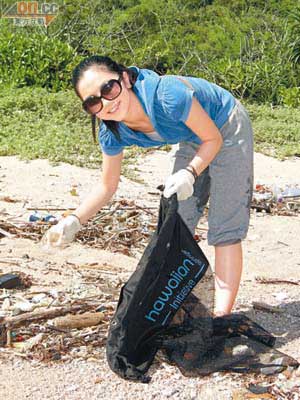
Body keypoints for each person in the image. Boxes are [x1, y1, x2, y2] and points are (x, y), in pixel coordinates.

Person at [45, 55, 253, 317]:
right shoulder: (111, 132)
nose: (106, 102)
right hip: (188, 133)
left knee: (225, 226)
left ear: (124, 78)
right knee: (176, 220)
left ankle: (220, 317)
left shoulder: (167, 96)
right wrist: (73, 220)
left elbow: (212, 138)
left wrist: (190, 171)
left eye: (108, 88)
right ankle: (174, 302)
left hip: (225, 125)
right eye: (93, 102)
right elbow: (108, 185)